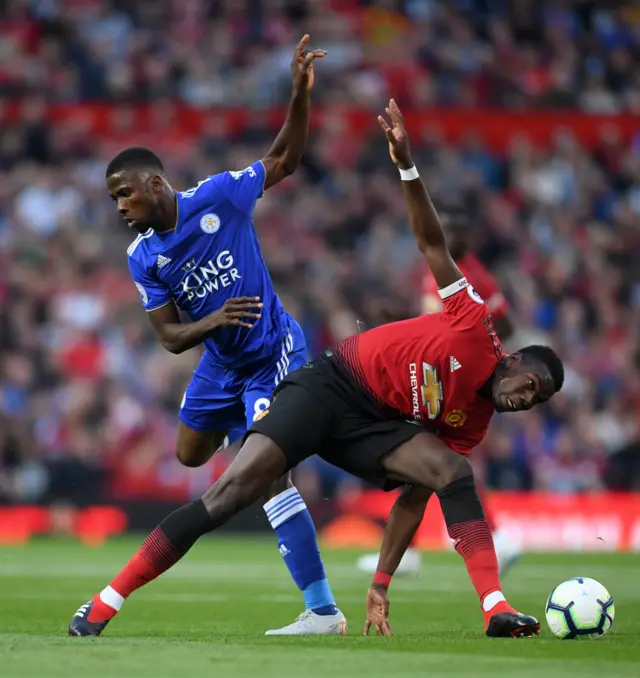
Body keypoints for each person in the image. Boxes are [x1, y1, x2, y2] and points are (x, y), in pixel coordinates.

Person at [70, 100, 563, 639]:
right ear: (512, 360)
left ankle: (492, 609)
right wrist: (405, 163)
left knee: (452, 473)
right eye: (529, 386)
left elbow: (416, 495)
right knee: (220, 487)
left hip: (332, 395)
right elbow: (431, 242)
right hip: (328, 386)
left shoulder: (473, 421)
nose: (525, 399)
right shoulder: (473, 322)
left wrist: (381, 580)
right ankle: (106, 600)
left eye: (535, 401)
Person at [69, 36, 347, 638]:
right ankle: (251, 429)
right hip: (220, 362)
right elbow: (170, 338)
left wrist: (299, 96)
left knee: (268, 474)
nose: (119, 206)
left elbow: (284, 161)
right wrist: (213, 323)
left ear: (155, 183)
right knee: (189, 453)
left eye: (124, 193)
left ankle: (323, 610)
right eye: (113, 198)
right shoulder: (143, 256)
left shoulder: (219, 197)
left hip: (273, 349)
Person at [357, 212, 521, 579]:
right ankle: (488, 537)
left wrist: (480, 345)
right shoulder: (455, 271)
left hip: (447, 379)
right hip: (440, 373)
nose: (448, 238)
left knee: (426, 457)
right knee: (436, 461)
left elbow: (495, 323)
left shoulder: (463, 275)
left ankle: (477, 539)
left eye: (455, 232)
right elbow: (450, 322)